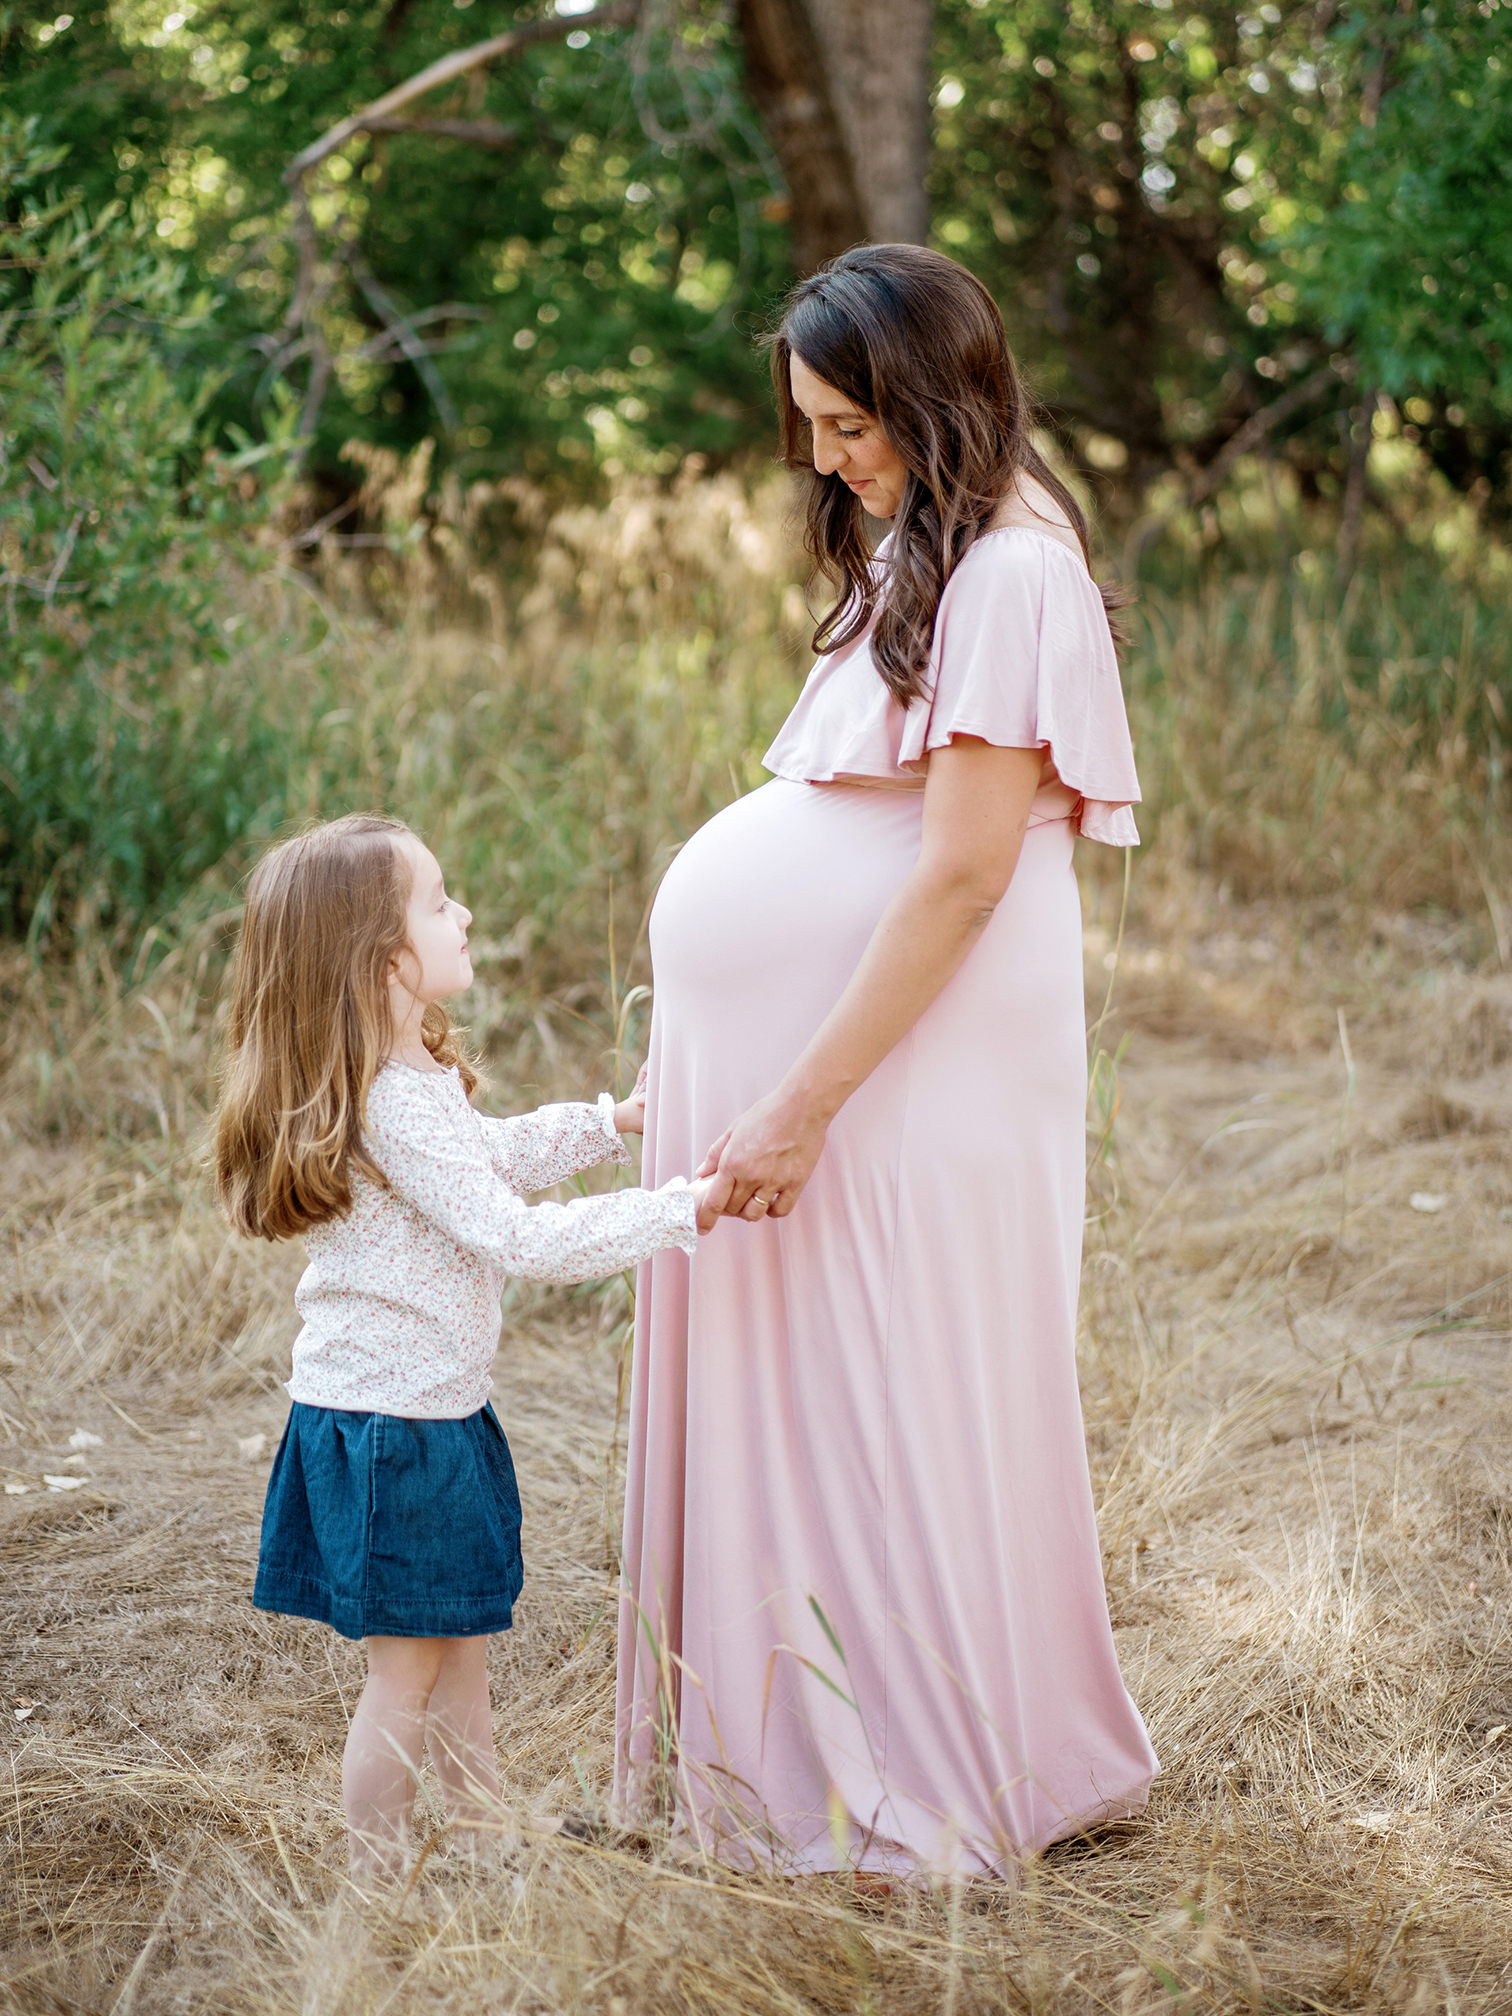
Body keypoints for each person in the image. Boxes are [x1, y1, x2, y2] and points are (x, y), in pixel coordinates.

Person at [614, 245, 1159, 1877]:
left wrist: (796, 1099)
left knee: (892, 1393)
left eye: (852, 423)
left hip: (900, 1071)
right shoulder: (933, 543)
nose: (830, 459)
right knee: (817, 1397)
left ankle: (908, 1776)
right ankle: (800, 1756)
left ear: (938, 390)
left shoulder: (1008, 571)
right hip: (839, 1056)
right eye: (812, 429)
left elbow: (966, 870)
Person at [213, 813, 730, 1879]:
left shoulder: (409, 1086)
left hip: (432, 1416)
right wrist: (682, 1209)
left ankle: (490, 1847)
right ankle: (379, 1886)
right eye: (441, 900)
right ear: (383, 958)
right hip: (390, 1432)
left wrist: (609, 1122)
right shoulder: (393, 1104)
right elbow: (515, 1235)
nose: (467, 914)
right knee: (406, 1679)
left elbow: (485, 1157)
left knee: (462, 1666)